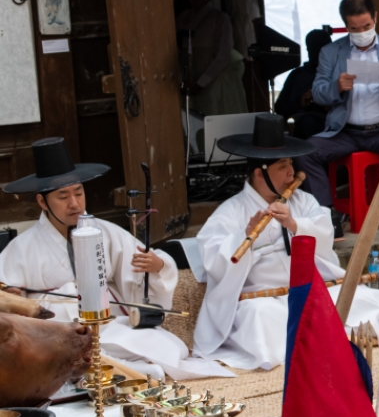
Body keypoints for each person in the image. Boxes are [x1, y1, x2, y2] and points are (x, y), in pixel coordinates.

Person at [193, 113, 379, 371]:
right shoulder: (231, 211)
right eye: (283, 167)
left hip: (309, 288)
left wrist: (295, 225)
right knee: (262, 318)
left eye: (290, 164)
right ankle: (324, 343)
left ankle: (332, 339)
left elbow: (325, 231)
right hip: (262, 297)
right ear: (260, 174)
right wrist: (246, 237)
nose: (291, 173)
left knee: (367, 299)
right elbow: (214, 258)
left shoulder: (302, 201)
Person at [0, 138, 228, 380]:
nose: (74, 203)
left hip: (108, 324)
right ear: (42, 201)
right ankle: (121, 372)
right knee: (85, 355)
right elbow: (6, 298)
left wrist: (157, 266)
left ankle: (117, 372)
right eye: (63, 196)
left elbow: (140, 269)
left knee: (168, 345)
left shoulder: (106, 231)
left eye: (78, 192)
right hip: (57, 333)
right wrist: (13, 299)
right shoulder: (20, 249)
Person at [295, 0, 379, 239]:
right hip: (345, 132)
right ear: (346, 25)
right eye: (354, 28)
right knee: (305, 152)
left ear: (375, 18)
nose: (362, 32)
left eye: (366, 26)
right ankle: (327, 215)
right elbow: (319, 94)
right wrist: (337, 86)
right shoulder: (331, 52)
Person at [176, 0, 248, 117]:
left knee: (213, 116)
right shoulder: (182, 18)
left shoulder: (219, 18)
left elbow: (223, 55)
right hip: (188, 77)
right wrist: (181, 80)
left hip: (213, 78)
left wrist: (201, 82)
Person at [274, 28, 333, 139]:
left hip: (334, 129)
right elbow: (280, 109)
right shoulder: (298, 75)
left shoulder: (340, 74)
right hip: (304, 131)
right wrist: (300, 102)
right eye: (315, 50)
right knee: (308, 122)